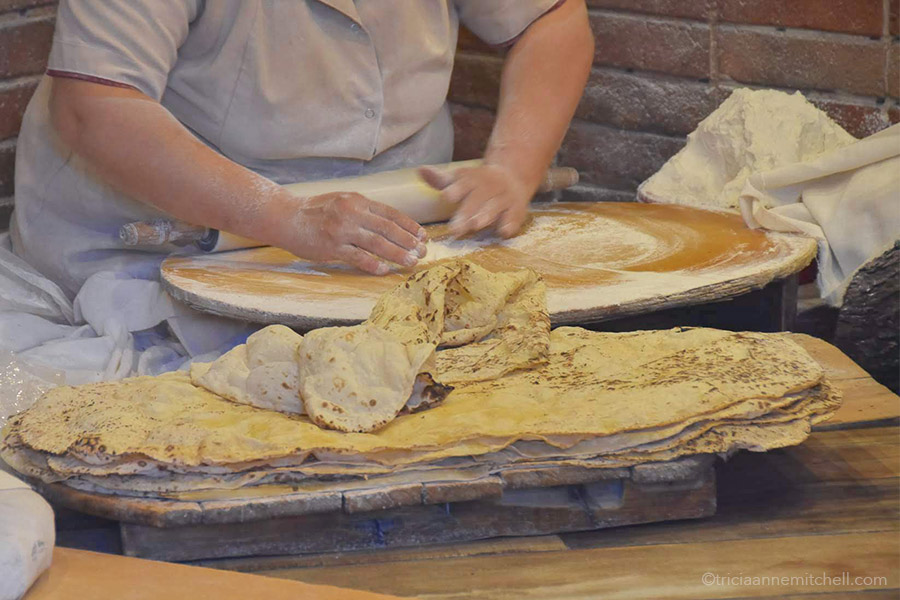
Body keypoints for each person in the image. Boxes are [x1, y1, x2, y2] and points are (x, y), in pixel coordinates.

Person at [12, 0, 594, 297]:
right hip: (152, 239)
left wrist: (515, 167)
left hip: (391, 235)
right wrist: (280, 215)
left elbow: (551, 20)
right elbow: (95, 106)